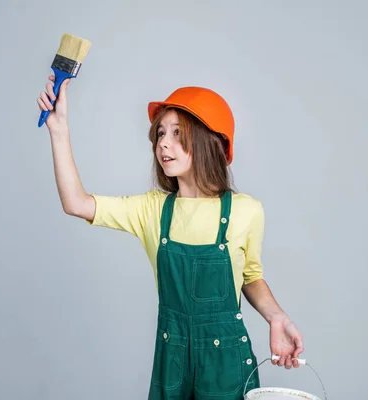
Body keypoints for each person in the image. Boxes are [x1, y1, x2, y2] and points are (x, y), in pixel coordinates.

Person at [36, 76, 304, 399]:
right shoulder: (153, 210)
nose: (163, 143)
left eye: (177, 133)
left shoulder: (246, 212)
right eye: (160, 134)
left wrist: (277, 317)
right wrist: (59, 130)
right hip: (172, 362)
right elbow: (76, 203)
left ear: (210, 141)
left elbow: (249, 276)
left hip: (226, 364)